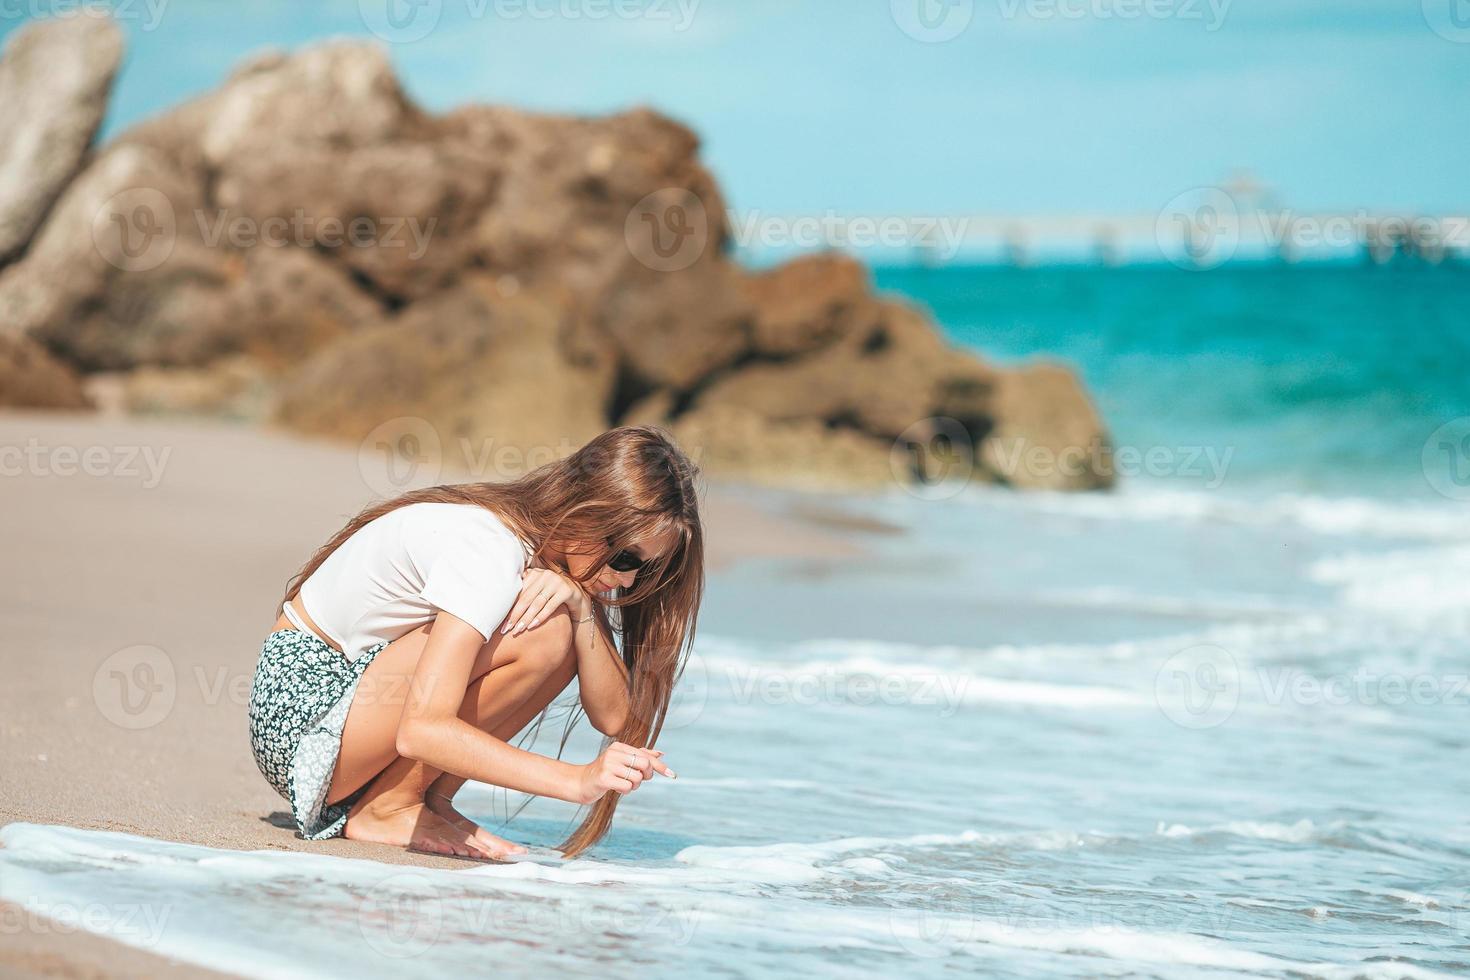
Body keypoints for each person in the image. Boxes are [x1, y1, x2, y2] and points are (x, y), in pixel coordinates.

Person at [247, 425, 704, 860]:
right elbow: (421, 728)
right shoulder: (491, 549)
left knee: (559, 629)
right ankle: (391, 807)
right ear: (586, 510)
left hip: (340, 705)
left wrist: (583, 609)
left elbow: (613, 716)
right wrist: (577, 782)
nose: (626, 581)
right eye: (626, 558)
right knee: (545, 636)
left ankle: (420, 797)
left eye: (647, 570)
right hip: (303, 712)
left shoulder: (546, 564)